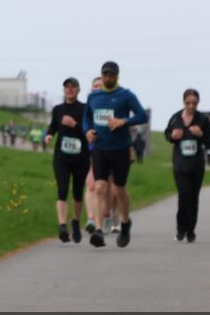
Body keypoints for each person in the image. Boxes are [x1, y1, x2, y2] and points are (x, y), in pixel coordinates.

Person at [83, 61, 148, 247]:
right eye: (105, 75)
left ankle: (126, 222)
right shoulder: (94, 97)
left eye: (111, 75)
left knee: (119, 190)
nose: (108, 78)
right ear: (101, 75)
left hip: (120, 149)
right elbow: (86, 118)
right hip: (100, 149)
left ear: (117, 76)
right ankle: (98, 229)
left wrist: (124, 121)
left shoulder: (126, 95)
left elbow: (143, 115)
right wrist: (87, 131)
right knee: (100, 187)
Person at [164, 89, 210, 242]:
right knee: (183, 195)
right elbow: (167, 134)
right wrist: (172, 136)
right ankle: (181, 229)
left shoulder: (203, 119)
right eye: (188, 103)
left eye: (194, 103)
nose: (191, 106)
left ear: (198, 103)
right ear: (184, 102)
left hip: (197, 164)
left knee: (193, 198)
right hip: (180, 164)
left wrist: (201, 134)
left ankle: (191, 231)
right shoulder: (176, 117)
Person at [45, 77, 89, 243]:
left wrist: (74, 125)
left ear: (78, 90)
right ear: (63, 90)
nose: (69, 90)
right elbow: (53, 126)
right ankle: (62, 226)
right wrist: (49, 135)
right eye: (67, 87)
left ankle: (76, 222)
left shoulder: (85, 109)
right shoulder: (58, 109)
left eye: (73, 87)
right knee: (62, 189)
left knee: (77, 192)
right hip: (61, 157)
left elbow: (87, 131)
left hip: (81, 157)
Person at [83, 77, 103, 234]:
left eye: (99, 86)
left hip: (109, 152)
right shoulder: (88, 106)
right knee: (91, 185)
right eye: (94, 86)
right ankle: (91, 219)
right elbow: (83, 126)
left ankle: (109, 216)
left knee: (106, 189)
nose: (96, 88)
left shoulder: (112, 104)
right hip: (90, 152)